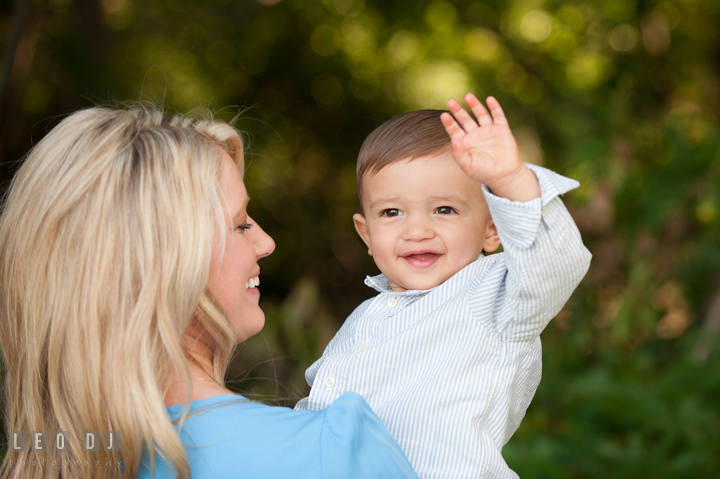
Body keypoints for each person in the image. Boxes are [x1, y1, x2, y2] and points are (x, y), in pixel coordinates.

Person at [0, 106, 418, 479]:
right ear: (164, 268)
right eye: (240, 224)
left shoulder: (51, 457)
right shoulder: (330, 454)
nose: (266, 241)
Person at [295, 94, 593, 478]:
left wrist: (510, 180)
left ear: (492, 229)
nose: (417, 230)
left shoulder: (497, 294)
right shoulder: (363, 320)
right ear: (366, 234)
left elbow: (556, 264)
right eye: (392, 212)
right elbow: (321, 411)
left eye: (444, 209)